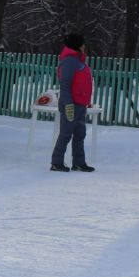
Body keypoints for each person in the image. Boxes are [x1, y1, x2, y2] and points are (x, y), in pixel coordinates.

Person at [51, 32, 97, 172]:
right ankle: (56, 162)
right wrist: (68, 103)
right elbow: (65, 84)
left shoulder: (78, 61)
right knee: (66, 133)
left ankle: (79, 162)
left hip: (81, 105)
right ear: (77, 46)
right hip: (71, 104)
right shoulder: (69, 62)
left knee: (80, 134)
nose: (84, 46)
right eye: (82, 44)